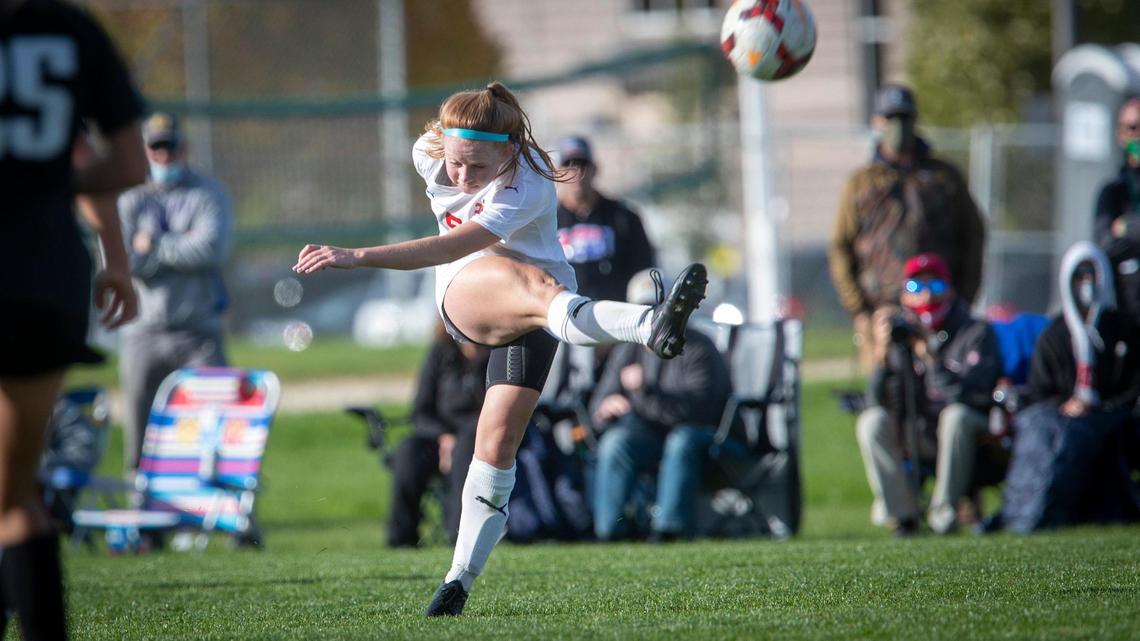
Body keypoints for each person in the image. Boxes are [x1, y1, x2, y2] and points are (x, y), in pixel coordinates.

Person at [293, 82, 708, 617]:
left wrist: (357, 254)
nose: (461, 177)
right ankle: (649, 323)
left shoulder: (529, 184)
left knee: (496, 444)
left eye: (477, 168)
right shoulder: (431, 154)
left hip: (539, 307)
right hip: (465, 290)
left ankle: (456, 583)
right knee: (541, 291)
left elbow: (456, 236)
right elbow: (450, 249)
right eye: (456, 162)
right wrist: (357, 254)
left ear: (509, 151)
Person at [1, 1, 146, 638]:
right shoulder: (68, 28)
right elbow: (123, 163)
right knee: (13, 495)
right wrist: (113, 259)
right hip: (43, 275)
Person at [829, 84, 986, 374]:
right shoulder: (862, 183)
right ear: (877, 122)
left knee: (944, 380)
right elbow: (841, 246)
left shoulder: (942, 176)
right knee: (889, 388)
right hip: (883, 305)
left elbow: (973, 235)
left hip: (938, 303)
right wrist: (860, 310)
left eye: (904, 118)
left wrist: (963, 297)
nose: (898, 126)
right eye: (890, 118)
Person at [117, 112, 234, 472]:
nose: (164, 156)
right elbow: (122, 261)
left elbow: (210, 250)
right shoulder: (130, 198)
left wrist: (153, 245)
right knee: (139, 431)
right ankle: (144, 514)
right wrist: (174, 248)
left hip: (199, 332)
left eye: (170, 147)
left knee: (218, 430)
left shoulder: (208, 193)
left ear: (184, 148)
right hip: (143, 332)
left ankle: (233, 516)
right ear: (145, 151)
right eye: (156, 148)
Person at [996, 242, 1140, 532]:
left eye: (1092, 277)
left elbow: (1133, 385)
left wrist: (1103, 409)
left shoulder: (1122, 330)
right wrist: (1067, 405)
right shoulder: (1054, 336)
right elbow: (1040, 392)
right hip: (1064, 421)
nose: (1087, 286)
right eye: (1080, 278)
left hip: (1117, 420)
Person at [855, 253, 1001, 536]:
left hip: (969, 437)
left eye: (933, 287)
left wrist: (931, 358)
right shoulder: (900, 339)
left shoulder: (974, 332)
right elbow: (875, 402)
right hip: (915, 434)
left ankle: (943, 514)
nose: (923, 295)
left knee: (955, 416)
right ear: (903, 296)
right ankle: (902, 516)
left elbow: (971, 397)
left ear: (950, 289)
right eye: (913, 288)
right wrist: (882, 356)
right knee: (870, 421)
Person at [588, 269, 738, 542]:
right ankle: (610, 530)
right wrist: (605, 408)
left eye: (655, 309)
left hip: (703, 437)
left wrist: (644, 393)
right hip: (650, 436)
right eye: (641, 310)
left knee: (681, 441)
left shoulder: (698, 348)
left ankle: (669, 529)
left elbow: (699, 411)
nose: (648, 317)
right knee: (617, 441)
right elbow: (598, 403)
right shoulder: (627, 349)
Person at [388, 323, 488, 548]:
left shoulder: (499, 355)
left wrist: (460, 441)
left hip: (480, 439)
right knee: (408, 452)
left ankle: (461, 538)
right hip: (439, 436)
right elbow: (420, 412)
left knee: (465, 449)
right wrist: (443, 437)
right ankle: (401, 539)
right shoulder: (440, 353)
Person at [556, 135, 657, 303]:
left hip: (616, 314)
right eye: (569, 165)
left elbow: (644, 269)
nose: (577, 172)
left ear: (595, 169)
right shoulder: (548, 223)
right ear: (557, 172)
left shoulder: (623, 217)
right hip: (566, 318)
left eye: (583, 164)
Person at [1093, 97, 1140, 324]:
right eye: (1132, 128)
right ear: (1120, 135)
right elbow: (1105, 245)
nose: (1138, 134)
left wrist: (1125, 226)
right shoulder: (1112, 193)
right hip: (1126, 315)